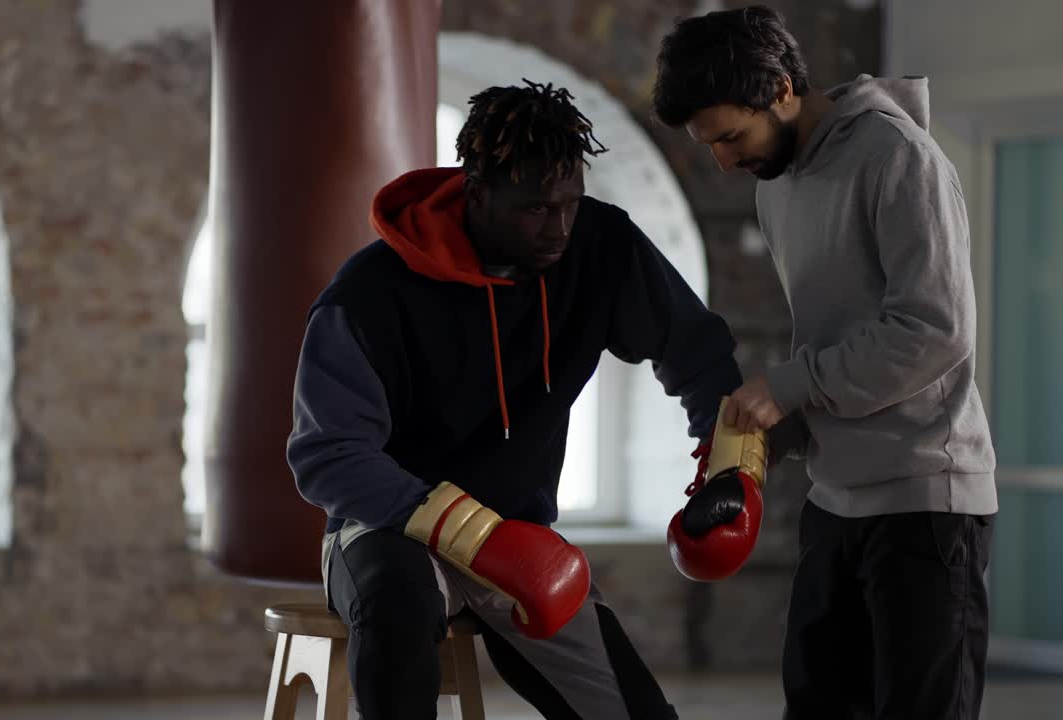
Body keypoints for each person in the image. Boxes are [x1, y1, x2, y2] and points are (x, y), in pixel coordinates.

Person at [287, 79, 744, 719]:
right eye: (534, 209)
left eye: (570, 203)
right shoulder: (369, 294)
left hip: (522, 540)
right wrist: (472, 535)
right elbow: (328, 454)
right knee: (397, 602)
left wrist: (729, 464)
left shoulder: (599, 245)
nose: (558, 227)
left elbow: (697, 351)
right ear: (477, 194)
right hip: (390, 529)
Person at [653, 6, 998, 719]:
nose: (723, 159)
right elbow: (832, 335)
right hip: (832, 502)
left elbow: (935, 330)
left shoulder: (898, 156)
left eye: (730, 136)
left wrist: (788, 387)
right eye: (708, 143)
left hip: (924, 503)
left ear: (781, 89)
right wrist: (782, 434)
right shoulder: (775, 186)